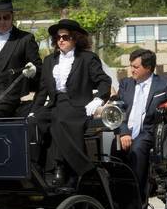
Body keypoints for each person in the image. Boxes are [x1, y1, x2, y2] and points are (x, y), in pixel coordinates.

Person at [31, 19, 112, 186]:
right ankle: (36, 166)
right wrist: (35, 110)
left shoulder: (87, 58)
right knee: (34, 121)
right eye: (58, 37)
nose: (60, 40)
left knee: (60, 118)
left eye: (65, 37)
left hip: (77, 105)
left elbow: (104, 81)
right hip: (55, 103)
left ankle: (63, 167)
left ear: (75, 38)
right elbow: (43, 91)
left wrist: (97, 101)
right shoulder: (49, 61)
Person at [115, 49, 167, 209]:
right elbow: (118, 110)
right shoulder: (125, 84)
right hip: (126, 131)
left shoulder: (163, 84)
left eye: (135, 67)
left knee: (137, 149)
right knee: (110, 153)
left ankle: (137, 198)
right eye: (131, 66)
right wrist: (123, 132)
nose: (132, 70)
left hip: (149, 133)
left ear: (148, 67)